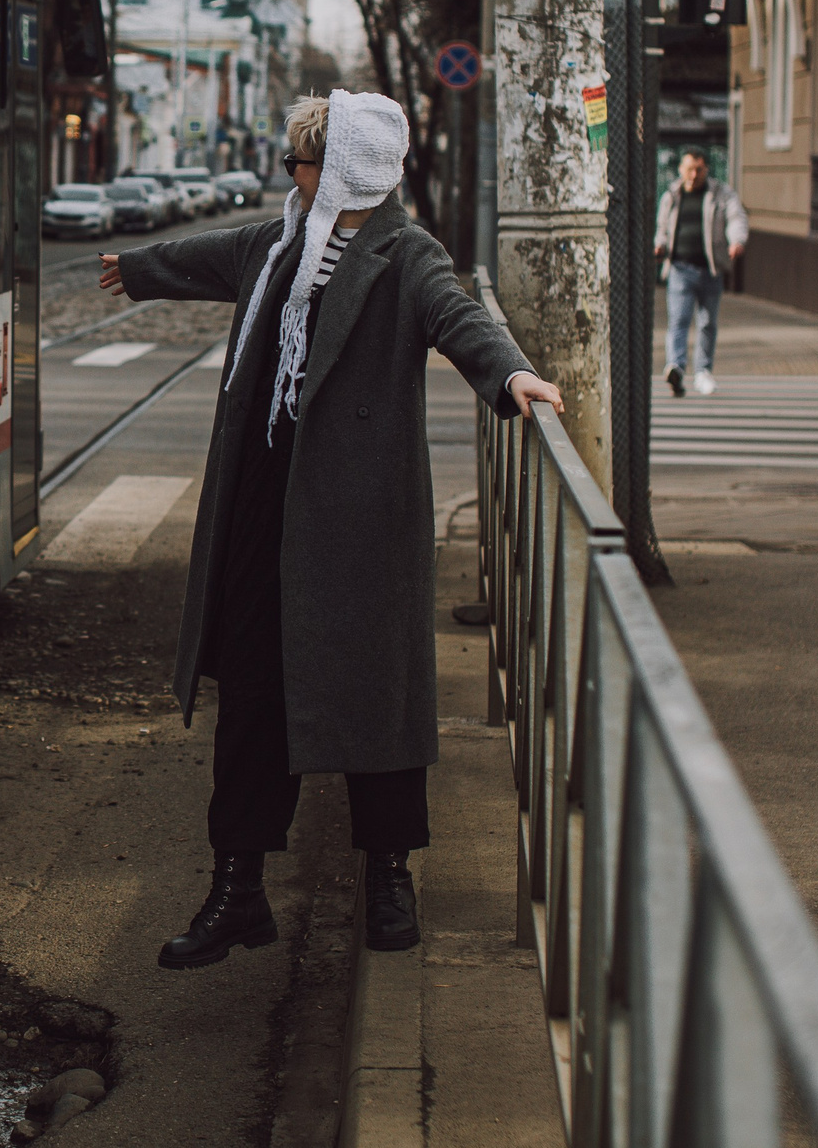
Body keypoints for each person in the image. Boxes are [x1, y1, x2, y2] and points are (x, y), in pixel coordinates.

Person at [98, 91, 561, 967]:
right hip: (263, 502)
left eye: (301, 164)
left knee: (374, 692)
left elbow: (458, 317)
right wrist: (142, 265)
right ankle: (237, 888)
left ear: (342, 168)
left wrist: (511, 378)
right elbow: (204, 258)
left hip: (356, 511)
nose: (292, 179)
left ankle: (389, 879)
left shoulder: (403, 251)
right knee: (253, 687)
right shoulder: (278, 244)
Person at [654, 151, 748, 398]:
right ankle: (675, 367)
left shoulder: (721, 194)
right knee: (679, 320)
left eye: (699, 170)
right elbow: (662, 227)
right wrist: (660, 244)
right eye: (689, 169)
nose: (694, 175)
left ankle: (703, 372)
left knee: (707, 322)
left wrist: (736, 240)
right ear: (681, 170)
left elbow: (736, 218)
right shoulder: (671, 196)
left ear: (706, 171)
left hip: (711, 270)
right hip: (680, 269)